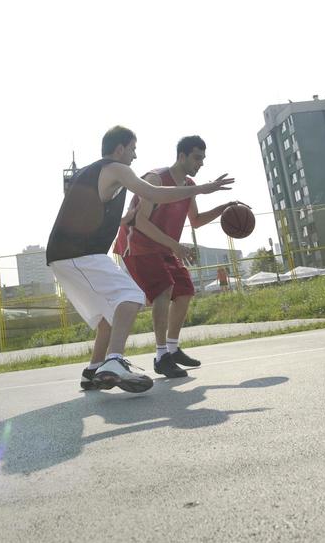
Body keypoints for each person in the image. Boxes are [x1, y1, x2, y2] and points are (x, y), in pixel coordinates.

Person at [47, 126, 234, 394]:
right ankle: (114, 362)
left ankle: (92, 372)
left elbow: (100, 216)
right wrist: (205, 189)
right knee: (131, 295)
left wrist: (125, 219)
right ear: (120, 149)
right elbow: (154, 194)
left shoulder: (98, 174)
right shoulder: (115, 168)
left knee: (107, 318)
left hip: (67, 255)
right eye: (133, 149)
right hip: (78, 253)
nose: (135, 156)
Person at [114, 135, 241, 379]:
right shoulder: (155, 179)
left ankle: (172, 349)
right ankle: (161, 357)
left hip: (162, 247)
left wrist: (224, 208)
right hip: (137, 246)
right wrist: (175, 245)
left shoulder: (189, 184)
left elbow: (196, 221)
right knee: (164, 290)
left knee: (184, 291)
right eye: (196, 157)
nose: (201, 163)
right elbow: (140, 222)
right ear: (181, 156)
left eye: (203, 158)